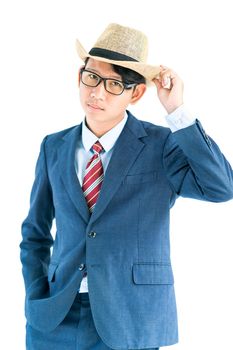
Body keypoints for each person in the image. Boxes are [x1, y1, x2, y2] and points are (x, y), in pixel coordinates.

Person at [20, 23, 233, 350]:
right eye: (91, 77)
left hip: (131, 318)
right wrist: (37, 293)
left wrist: (177, 112)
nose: (97, 92)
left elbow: (221, 187)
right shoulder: (54, 146)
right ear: (80, 76)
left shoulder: (161, 145)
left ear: (136, 93)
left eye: (114, 84)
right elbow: (34, 232)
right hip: (54, 319)